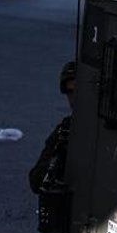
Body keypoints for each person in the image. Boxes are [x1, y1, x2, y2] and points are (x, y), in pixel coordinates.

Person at [29, 61, 78, 195]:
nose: (73, 98)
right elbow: (36, 180)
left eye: (77, 91)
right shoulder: (66, 130)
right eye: (70, 92)